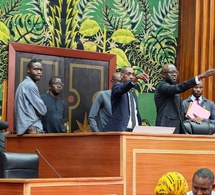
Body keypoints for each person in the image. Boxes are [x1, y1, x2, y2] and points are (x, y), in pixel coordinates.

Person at [154, 63, 215, 134]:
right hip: (165, 128)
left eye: (176, 72)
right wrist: (200, 77)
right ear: (163, 74)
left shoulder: (175, 91)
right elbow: (178, 88)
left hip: (177, 129)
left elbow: (180, 114)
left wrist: (190, 120)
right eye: (171, 72)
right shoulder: (162, 87)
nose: (174, 74)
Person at [104, 66, 149, 132]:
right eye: (128, 74)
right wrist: (135, 79)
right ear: (121, 75)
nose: (131, 77)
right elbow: (122, 89)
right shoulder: (117, 87)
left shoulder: (133, 94)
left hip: (135, 130)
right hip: (121, 129)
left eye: (133, 75)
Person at [14, 59, 47, 135]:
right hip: (33, 128)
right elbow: (43, 110)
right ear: (28, 70)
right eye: (36, 69)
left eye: (40, 70)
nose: (39, 72)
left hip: (25, 129)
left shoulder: (23, 84)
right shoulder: (30, 85)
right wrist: (38, 109)